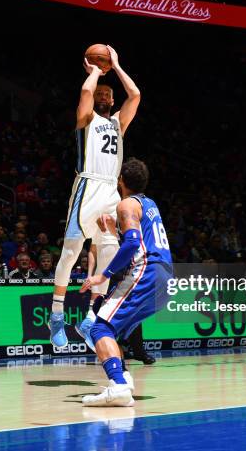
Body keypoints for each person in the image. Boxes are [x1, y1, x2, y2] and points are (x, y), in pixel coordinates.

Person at [50, 45, 141, 348]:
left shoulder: (118, 122)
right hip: (87, 186)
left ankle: (90, 316)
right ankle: (57, 315)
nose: (103, 96)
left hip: (110, 191)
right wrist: (94, 73)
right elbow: (85, 95)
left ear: (112, 100)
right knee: (71, 252)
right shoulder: (86, 120)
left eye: (107, 94)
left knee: (111, 252)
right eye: (100, 93)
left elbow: (136, 95)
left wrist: (114, 65)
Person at [79, 158, 172, 406]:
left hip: (147, 271)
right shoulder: (149, 204)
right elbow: (137, 240)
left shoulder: (126, 204)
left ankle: (118, 385)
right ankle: (125, 379)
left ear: (120, 180)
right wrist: (113, 231)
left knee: (99, 328)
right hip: (166, 275)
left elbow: (132, 245)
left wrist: (103, 274)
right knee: (113, 327)